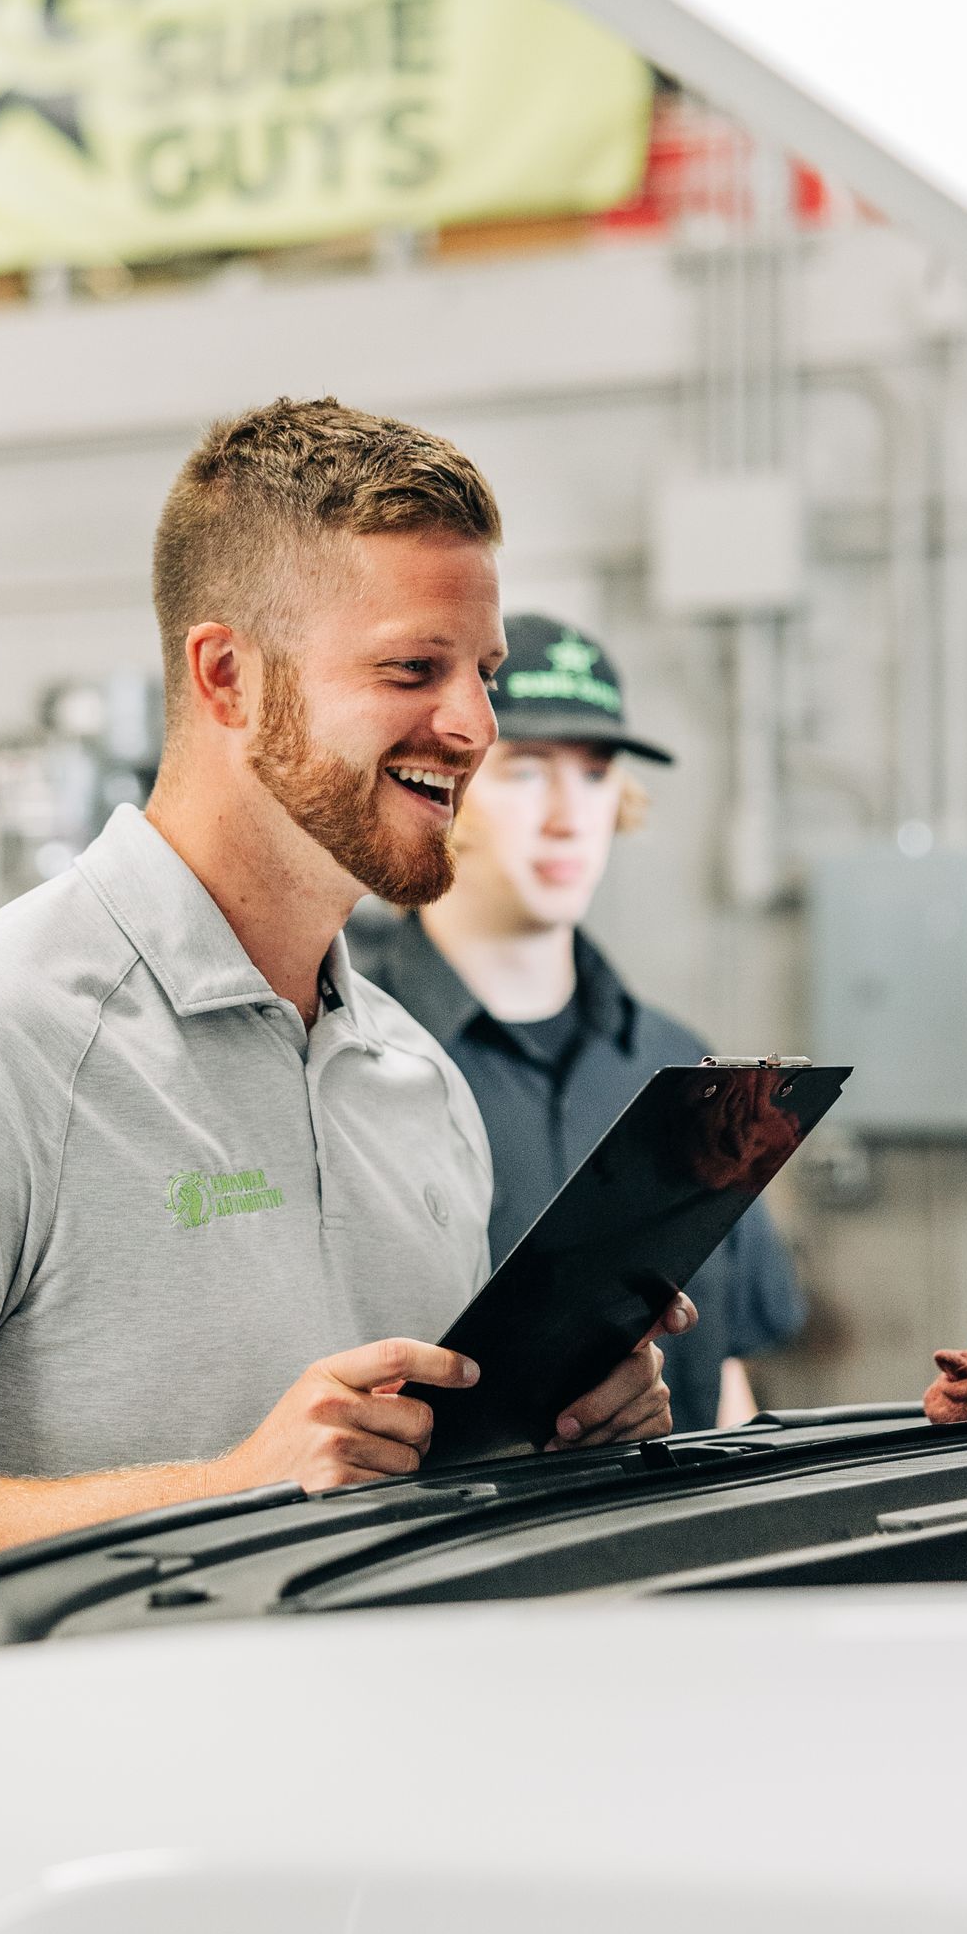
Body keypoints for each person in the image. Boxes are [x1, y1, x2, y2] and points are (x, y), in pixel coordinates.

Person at [0, 404, 694, 1638]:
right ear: (227, 676)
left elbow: (370, 1496)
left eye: (479, 675)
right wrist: (219, 1499)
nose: (478, 728)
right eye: (412, 670)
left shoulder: (412, 1082)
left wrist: (550, 1427)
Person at [354, 613, 803, 1433]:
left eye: (595, 774)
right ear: (436, 787)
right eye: (526, 771)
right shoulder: (350, 1060)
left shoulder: (683, 1070)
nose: (569, 815)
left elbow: (725, 1375)